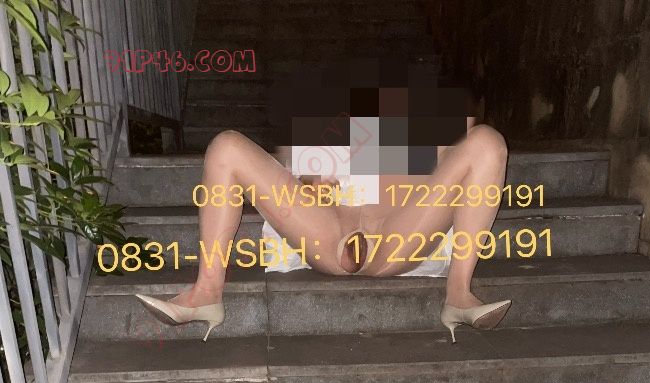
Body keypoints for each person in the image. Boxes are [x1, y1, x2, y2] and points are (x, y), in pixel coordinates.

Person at [136, 62, 511, 342]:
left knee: (488, 142)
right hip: (328, 232)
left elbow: (456, 168)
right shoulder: (332, 133)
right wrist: (319, 179)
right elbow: (300, 179)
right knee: (226, 146)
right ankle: (206, 291)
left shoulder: (428, 136)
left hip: (398, 235)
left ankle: (458, 292)